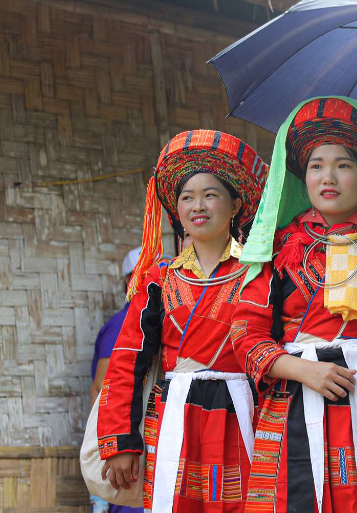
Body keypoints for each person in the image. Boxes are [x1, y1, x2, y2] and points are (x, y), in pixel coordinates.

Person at [231, 97, 357, 513]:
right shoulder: (277, 246)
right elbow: (245, 336)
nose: (328, 177)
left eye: (344, 165)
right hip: (298, 397)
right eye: (316, 165)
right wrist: (304, 369)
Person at [96, 130, 268, 512]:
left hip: (244, 411)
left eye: (211, 194)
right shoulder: (158, 280)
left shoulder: (260, 274)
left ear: (236, 203)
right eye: (187, 197)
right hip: (175, 414)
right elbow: (127, 360)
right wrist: (121, 442)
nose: (198, 205)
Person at [89, 247, 142, 513]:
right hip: (125, 445)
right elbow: (102, 388)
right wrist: (111, 447)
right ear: (128, 280)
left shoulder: (157, 320)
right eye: (142, 274)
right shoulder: (124, 322)